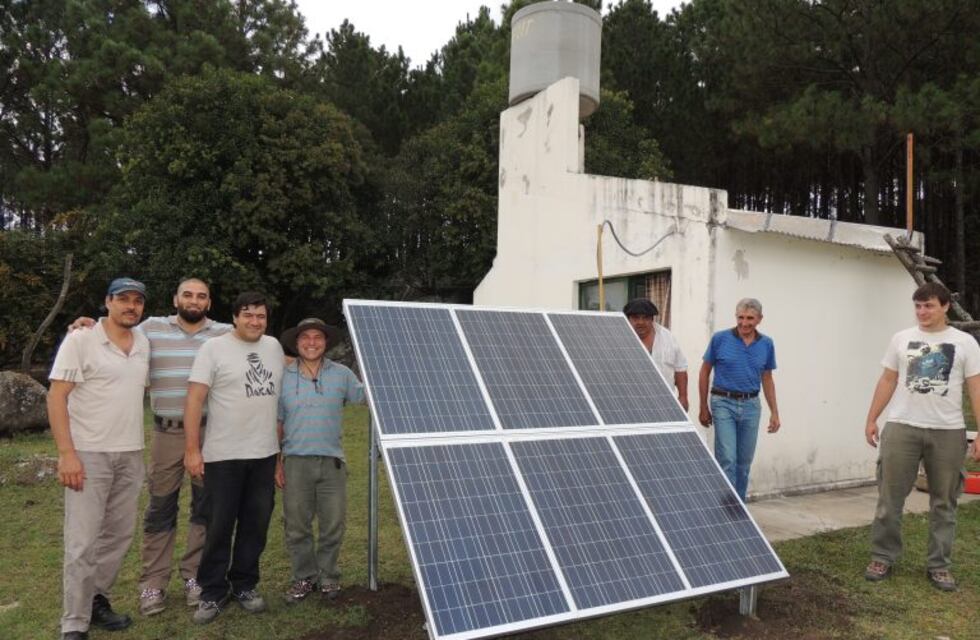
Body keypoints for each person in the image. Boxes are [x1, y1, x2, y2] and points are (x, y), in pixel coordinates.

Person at [70, 278, 232, 615]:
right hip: (166, 433)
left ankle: (195, 577)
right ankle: (153, 583)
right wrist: (87, 324)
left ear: (209, 303)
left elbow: (256, 342)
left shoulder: (223, 333)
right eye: (188, 294)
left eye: (201, 296)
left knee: (205, 507)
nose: (194, 300)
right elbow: (115, 329)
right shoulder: (150, 329)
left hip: (211, 433)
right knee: (160, 507)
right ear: (175, 299)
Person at [48, 278, 151, 640]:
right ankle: (74, 622)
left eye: (137, 301)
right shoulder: (82, 339)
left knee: (119, 536)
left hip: (131, 452)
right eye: (123, 299)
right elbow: (57, 396)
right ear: (107, 301)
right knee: (82, 540)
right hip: (88, 454)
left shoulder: (143, 343)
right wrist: (67, 454)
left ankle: (96, 599)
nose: (130, 306)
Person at [863, 282, 980, 591]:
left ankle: (939, 565)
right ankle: (882, 556)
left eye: (928, 306)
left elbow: (976, 387)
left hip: (948, 431)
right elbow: (888, 379)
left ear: (945, 307)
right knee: (890, 498)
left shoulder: (965, 342)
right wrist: (872, 418)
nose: (922, 312)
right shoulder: (901, 339)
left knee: (945, 501)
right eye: (917, 306)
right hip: (902, 427)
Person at [183, 291, 284, 624]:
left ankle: (244, 584)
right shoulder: (213, 349)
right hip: (223, 456)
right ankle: (212, 592)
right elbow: (195, 401)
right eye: (248, 314)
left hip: (264, 454)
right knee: (218, 526)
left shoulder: (273, 347)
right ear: (235, 318)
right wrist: (193, 450)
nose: (255, 321)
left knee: (256, 525)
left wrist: (280, 454)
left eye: (261, 316)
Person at [275, 318, 366, 603]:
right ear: (296, 342)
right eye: (305, 337)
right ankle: (303, 578)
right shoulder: (283, 376)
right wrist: (277, 463)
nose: (311, 342)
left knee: (333, 524)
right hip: (295, 462)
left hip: (332, 463)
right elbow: (278, 422)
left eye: (318, 337)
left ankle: (328, 577)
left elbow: (366, 397)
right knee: (297, 525)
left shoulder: (342, 374)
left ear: (326, 342)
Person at [698, 298, 780, 501]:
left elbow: (767, 378)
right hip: (722, 402)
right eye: (740, 317)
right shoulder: (720, 339)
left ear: (759, 319)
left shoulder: (767, 344)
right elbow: (704, 371)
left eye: (750, 318)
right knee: (727, 459)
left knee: (744, 463)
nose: (744, 323)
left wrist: (775, 412)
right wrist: (703, 406)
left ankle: (739, 508)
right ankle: (724, 509)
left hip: (751, 405)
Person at [623, 298, 689, 410]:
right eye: (636, 318)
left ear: (652, 319)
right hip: (628, 403)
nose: (640, 322)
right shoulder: (618, 339)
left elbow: (680, 369)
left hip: (664, 403)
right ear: (628, 319)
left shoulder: (668, 338)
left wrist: (683, 397)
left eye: (645, 318)